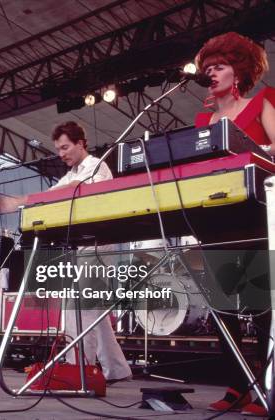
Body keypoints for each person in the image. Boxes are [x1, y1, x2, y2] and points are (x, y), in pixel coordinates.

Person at [0, 121, 132, 382]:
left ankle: (79, 368)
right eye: (58, 149)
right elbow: (52, 194)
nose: (61, 153)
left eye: (65, 147)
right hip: (83, 246)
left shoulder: (96, 166)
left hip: (99, 246)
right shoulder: (70, 173)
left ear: (81, 144)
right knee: (93, 310)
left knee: (80, 306)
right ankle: (117, 369)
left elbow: (72, 190)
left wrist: (20, 201)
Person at [194, 32, 273, 416]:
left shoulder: (261, 102)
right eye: (207, 68)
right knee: (222, 308)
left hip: (255, 215)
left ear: (238, 71)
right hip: (214, 220)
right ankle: (239, 383)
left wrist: (254, 150)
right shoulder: (202, 119)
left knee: (261, 306)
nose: (212, 72)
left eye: (220, 66)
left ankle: (266, 387)